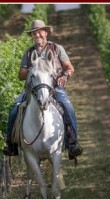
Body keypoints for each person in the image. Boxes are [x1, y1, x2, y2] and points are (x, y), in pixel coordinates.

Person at [2, 19, 83, 160]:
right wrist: (31, 69)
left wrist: (64, 75)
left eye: (39, 32)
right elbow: (21, 76)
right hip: (32, 89)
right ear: (32, 36)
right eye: (34, 33)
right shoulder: (28, 53)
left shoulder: (57, 49)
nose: (37, 35)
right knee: (14, 108)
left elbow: (70, 68)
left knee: (68, 107)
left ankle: (72, 142)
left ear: (46, 33)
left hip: (54, 88)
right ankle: (11, 143)